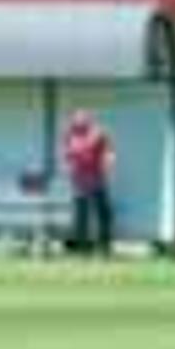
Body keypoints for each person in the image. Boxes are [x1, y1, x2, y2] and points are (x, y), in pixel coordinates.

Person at [58, 109, 115, 259]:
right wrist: (68, 167)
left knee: (104, 214)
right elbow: (66, 155)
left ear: (89, 120)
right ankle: (82, 249)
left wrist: (108, 162)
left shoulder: (98, 133)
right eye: (77, 120)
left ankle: (104, 247)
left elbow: (108, 151)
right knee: (81, 217)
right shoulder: (69, 135)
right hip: (79, 182)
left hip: (97, 180)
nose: (79, 122)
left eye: (83, 119)